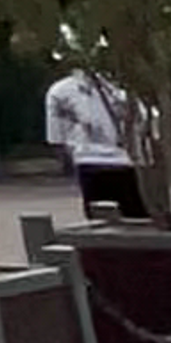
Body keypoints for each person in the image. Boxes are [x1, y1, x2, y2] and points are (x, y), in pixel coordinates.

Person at [46, 57, 144, 227]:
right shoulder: (122, 88)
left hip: (88, 160)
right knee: (137, 218)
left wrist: (70, 156)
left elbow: (57, 136)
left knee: (100, 221)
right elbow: (144, 121)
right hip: (126, 160)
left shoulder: (59, 91)